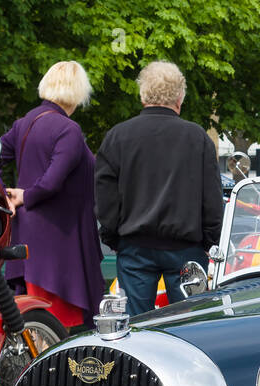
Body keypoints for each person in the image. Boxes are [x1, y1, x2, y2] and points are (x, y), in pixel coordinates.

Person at [95, 61, 222, 315]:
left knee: (135, 327)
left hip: (135, 246)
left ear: (143, 95)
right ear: (179, 96)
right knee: (189, 324)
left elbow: (105, 195)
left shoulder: (118, 137)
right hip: (186, 247)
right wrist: (209, 241)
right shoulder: (197, 138)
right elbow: (212, 199)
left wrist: (113, 237)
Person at [0, 61, 103, 331]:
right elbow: (53, 181)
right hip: (59, 246)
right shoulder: (69, 130)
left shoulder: (24, 123)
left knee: (37, 325)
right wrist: (24, 196)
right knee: (59, 328)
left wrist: (2, 194)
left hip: (28, 242)